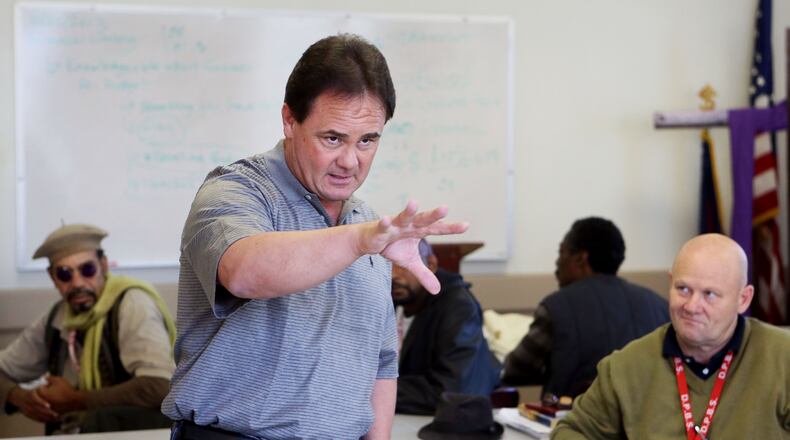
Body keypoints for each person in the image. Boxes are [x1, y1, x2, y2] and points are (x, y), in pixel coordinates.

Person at [161, 33, 468, 440]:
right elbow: (244, 272)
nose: (350, 161)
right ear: (290, 120)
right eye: (332, 138)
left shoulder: (369, 223)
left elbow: (379, 363)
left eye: (367, 141)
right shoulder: (235, 190)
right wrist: (360, 242)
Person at [553, 233, 790, 439]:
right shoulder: (626, 366)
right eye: (683, 289)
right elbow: (571, 431)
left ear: (743, 299)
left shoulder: (782, 358)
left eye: (710, 294)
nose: (692, 306)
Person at [0, 224, 176, 434]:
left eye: (87, 270)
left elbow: (158, 387)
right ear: (52, 277)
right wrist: (17, 397)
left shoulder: (131, 304)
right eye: (64, 274)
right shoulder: (57, 317)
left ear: (103, 265)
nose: (77, 283)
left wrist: (76, 400)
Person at [502, 217, 669, 398]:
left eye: (561, 253)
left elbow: (516, 369)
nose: (557, 265)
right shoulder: (660, 307)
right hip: (649, 422)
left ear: (581, 259)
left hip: (573, 421)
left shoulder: (556, 307)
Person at [393, 240, 501, 415]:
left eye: (402, 265)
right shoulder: (389, 301)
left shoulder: (458, 307)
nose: (393, 275)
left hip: (452, 419)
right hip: (405, 411)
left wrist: (374, 389)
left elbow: (448, 388)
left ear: (431, 265)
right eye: (386, 265)